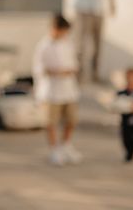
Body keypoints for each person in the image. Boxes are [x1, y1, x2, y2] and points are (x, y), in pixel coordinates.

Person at [33, 14, 82, 166]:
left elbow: (74, 63)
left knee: (71, 120)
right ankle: (54, 149)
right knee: (51, 122)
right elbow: (38, 69)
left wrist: (69, 71)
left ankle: (66, 145)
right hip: (51, 90)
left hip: (68, 89)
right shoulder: (43, 46)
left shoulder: (68, 43)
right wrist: (55, 72)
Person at [115, 69, 133, 162]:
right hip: (126, 121)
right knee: (127, 138)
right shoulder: (121, 93)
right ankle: (129, 153)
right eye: (129, 78)